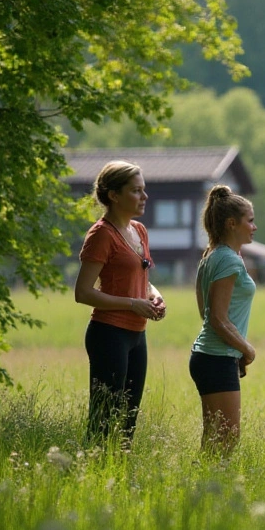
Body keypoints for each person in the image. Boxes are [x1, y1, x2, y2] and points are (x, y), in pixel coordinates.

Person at [74, 160, 166, 445]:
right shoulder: (101, 234)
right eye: (136, 191)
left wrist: (156, 295)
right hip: (109, 334)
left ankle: (118, 479)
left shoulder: (139, 231)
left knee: (128, 420)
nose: (144, 197)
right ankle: (90, 475)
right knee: (104, 419)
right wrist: (132, 304)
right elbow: (83, 292)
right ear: (114, 195)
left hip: (138, 335)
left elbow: (143, 277)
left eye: (144, 190)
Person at [188, 186, 257, 456]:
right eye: (250, 220)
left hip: (210, 356)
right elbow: (216, 318)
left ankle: (204, 491)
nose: (254, 226)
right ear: (232, 223)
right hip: (216, 358)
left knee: (216, 440)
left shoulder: (213, 255)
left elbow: (204, 311)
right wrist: (246, 349)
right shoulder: (228, 260)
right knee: (225, 441)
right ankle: (207, 492)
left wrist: (234, 348)